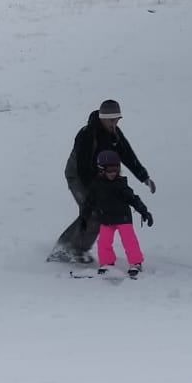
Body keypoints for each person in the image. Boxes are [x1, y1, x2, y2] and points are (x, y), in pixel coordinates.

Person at [49, 99, 155, 263]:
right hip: (77, 176)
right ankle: (68, 249)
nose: (115, 123)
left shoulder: (114, 134)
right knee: (93, 211)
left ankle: (72, 247)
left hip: (98, 177)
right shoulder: (87, 134)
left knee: (97, 212)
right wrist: (96, 191)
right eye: (112, 120)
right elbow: (83, 168)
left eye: (117, 120)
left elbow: (127, 155)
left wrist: (144, 177)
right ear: (103, 118)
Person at [79, 150, 153, 276]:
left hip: (123, 218)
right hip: (106, 219)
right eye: (110, 170)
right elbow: (89, 204)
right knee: (103, 242)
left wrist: (144, 212)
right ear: (101, 170)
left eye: (116, 170)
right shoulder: (96, 185)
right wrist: (84, 219)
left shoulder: (120, 184)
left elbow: (133, 198)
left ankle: (135, 263)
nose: (113, 173)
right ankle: (107, 263)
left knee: (129, 241)